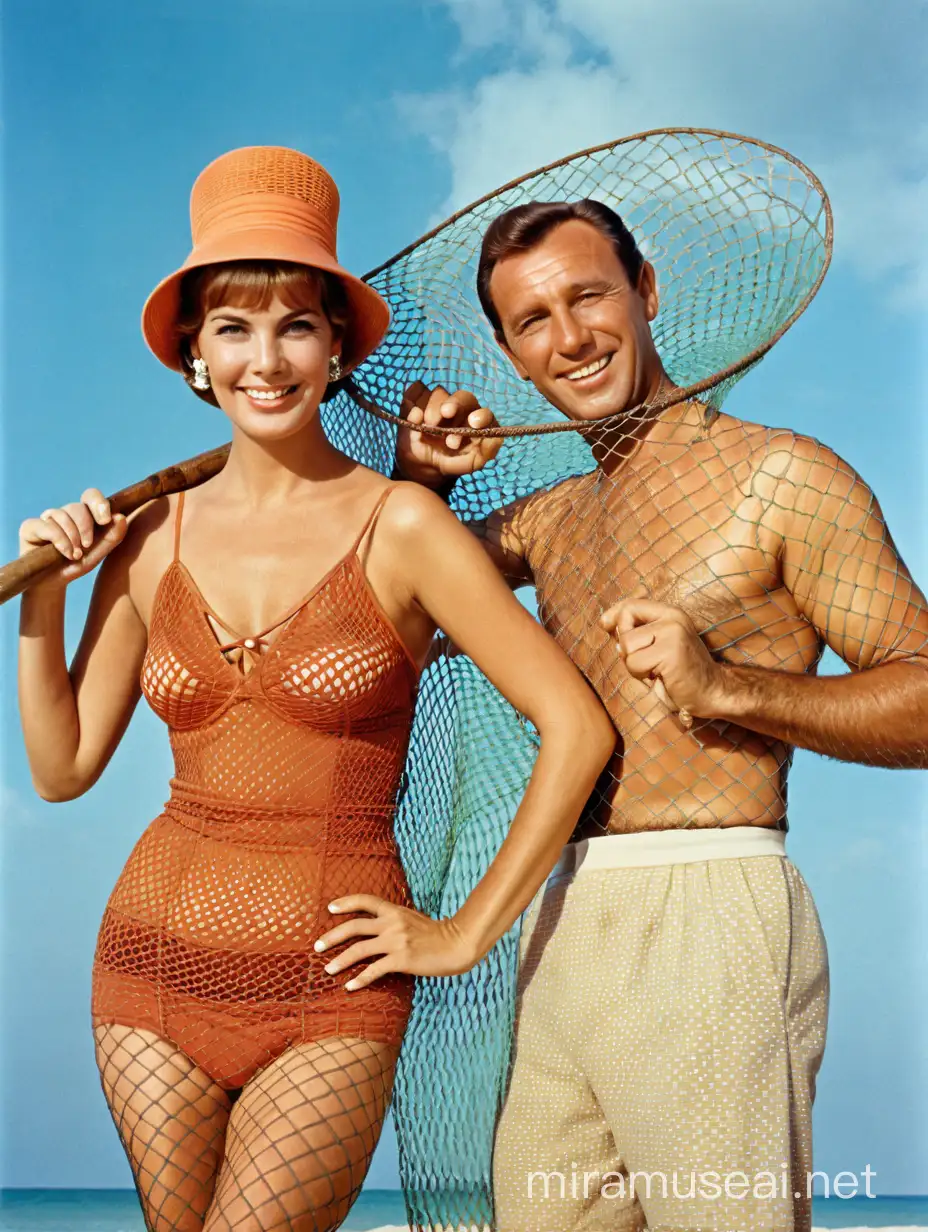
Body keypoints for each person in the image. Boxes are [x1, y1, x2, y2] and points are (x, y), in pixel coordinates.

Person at [16, 151, 615, 1232]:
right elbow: (60, 770)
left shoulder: (406, 525)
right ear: (193, 353)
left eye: (295, 323)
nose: (265, 357)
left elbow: (574, 723)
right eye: (233, 328)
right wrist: (45, 598)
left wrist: (464, 931)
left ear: (337, 345)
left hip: (327, 987)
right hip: (149, 964)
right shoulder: (148, 539)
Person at [395, 198, 928, 1232]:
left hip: (710, 906)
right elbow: (394, 595)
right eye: (533, 319)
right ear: (511, 350)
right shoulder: (551, 517)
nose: (570, 336)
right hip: (557, 927)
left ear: (644, 293)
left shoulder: (783, 473)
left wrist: (729, 686)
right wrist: (416, 474)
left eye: (588, 295)